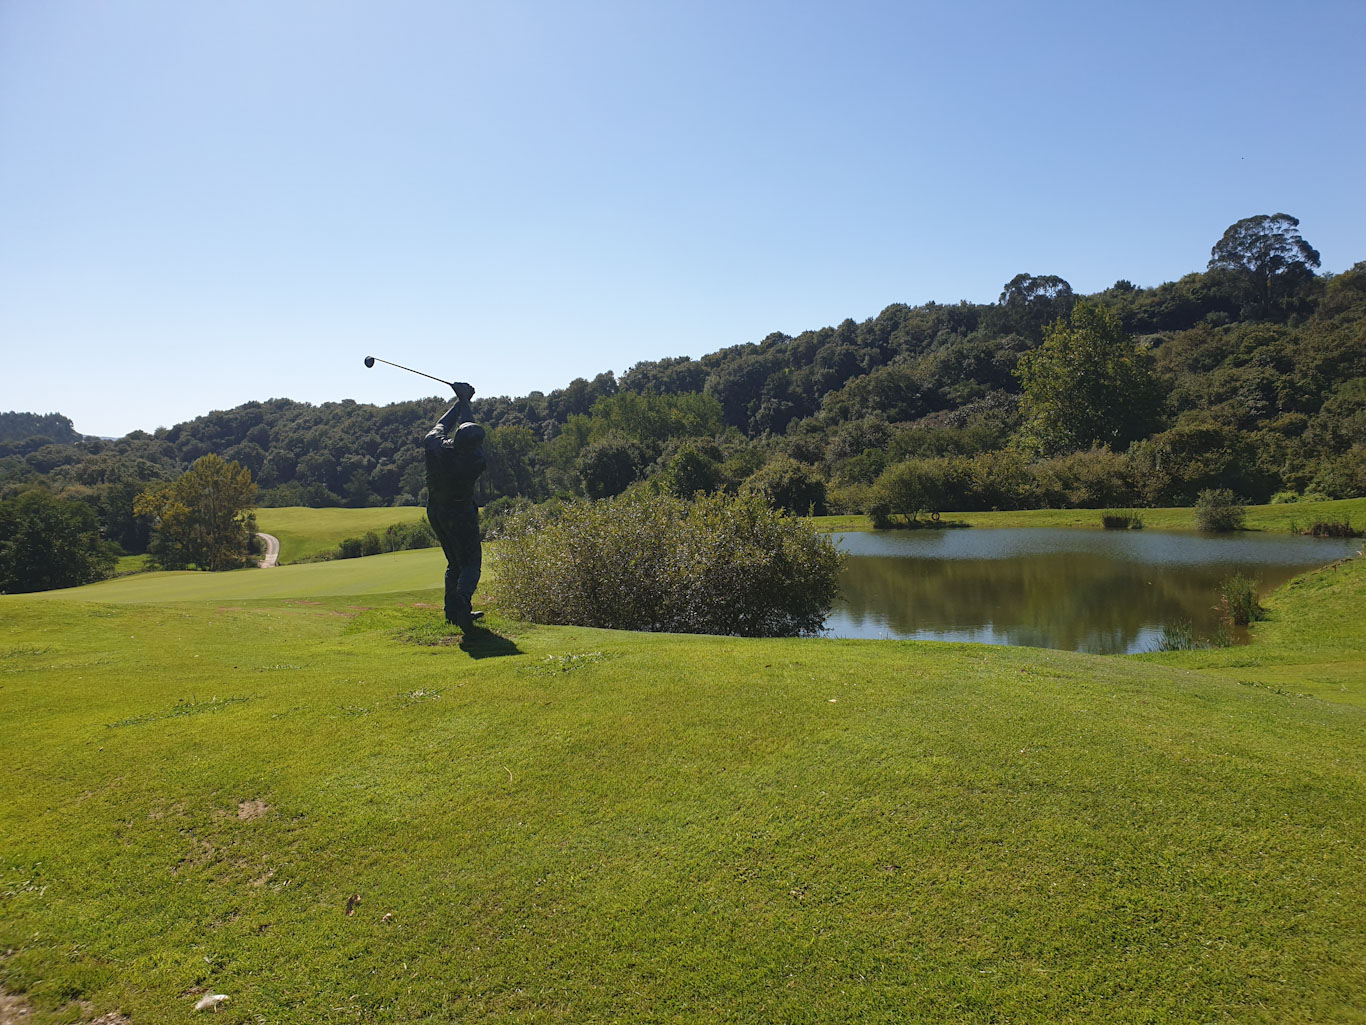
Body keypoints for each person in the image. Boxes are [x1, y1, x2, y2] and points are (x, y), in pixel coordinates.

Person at [424, 381, 486, 629]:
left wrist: (460, 401)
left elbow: (442, 426)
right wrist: (465, 402)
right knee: (470, 563)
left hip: (437, 511)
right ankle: (461, 602)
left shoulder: (434, 446)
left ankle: (452, 612)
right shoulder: (476, 460)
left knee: (454, 562)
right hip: (460, 513)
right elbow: (469, 429)